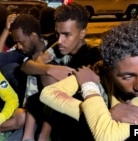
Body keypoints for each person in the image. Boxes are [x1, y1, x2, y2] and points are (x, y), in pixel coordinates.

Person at [40, 21, 138, 141]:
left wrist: (89, 87)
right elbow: (48, 94)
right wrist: (105, 113)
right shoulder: (101, 68)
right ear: (109, 70)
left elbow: (108, 136)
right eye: (127, 77)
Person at [21, 2, 102, 141]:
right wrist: (51, 69)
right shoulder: (58, 47)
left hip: (81, 119)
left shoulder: (93, 56)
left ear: (82, 33)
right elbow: (26, 66)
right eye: (58, 34)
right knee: (41, 72)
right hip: (51, 110)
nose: (60, 41)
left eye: (66, 35)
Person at [0, 13, 57, 141]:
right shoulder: (24, 53)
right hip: (25, 112)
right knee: (9, 69)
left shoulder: (53, 52)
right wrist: (6, 30)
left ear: (33, 36)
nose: (19, 46)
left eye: (21, 42)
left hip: (46, 117)